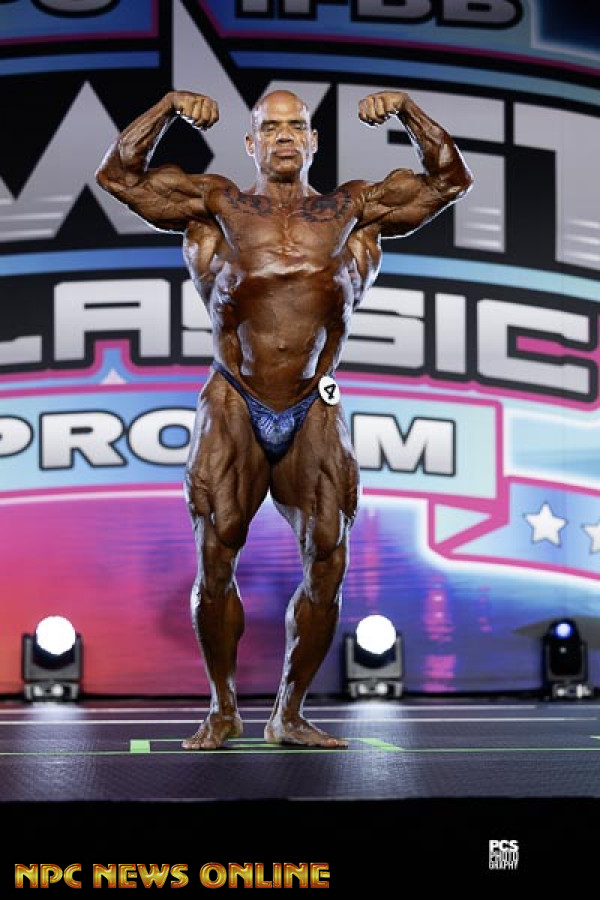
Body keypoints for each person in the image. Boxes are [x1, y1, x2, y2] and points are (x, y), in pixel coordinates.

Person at [96, 87, 472, 750]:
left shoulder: (353, 210)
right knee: (216, 556)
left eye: (297, 125)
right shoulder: (215, 205)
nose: (285, 136)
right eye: (271, 128)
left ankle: (288, 713)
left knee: (328, 561)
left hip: (314, 401)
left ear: (314, 140)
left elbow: (449, 180)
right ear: (251, 143)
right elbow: (119, 178)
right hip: (234, 398)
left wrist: (407, 111)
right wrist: (168, 108)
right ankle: (222, 708)